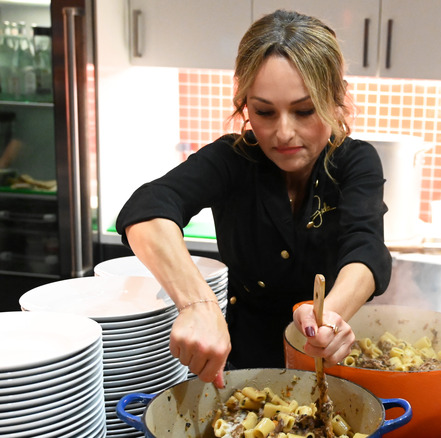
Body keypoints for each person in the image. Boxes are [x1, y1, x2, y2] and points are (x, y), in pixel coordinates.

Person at [116, 10, 392, 387]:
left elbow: (366, 248)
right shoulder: (232, 160)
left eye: (304, 110)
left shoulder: (354, 161)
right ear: (245, 105)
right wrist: (198, 304)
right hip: (241, 369)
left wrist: (328, 315)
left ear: (337, 99)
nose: (284, 132)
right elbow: (147, 209)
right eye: (264, 111)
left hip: (328, 366)